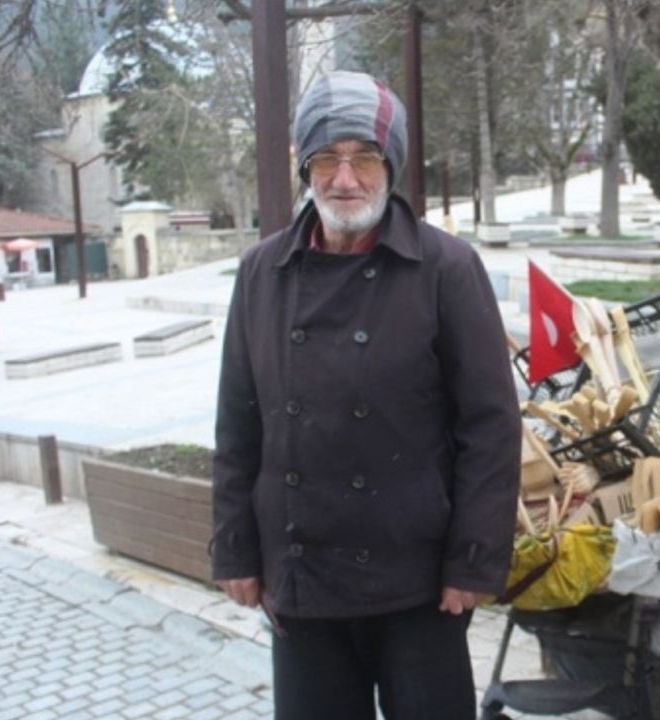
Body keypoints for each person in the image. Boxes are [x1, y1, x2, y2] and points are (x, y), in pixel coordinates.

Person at [211, 71, 521, 719]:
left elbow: (489, 427)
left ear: (393, 165)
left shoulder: (446, 268)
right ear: (305, 168)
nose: (344, 179)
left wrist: (473, 561)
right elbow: (238, 425)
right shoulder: (261, 272)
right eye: (326, 158)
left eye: (364, 158)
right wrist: (236, 548)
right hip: (302, 581)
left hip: (418, 582)